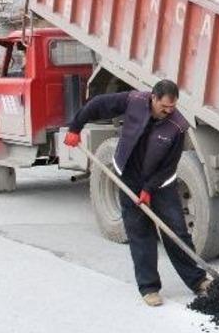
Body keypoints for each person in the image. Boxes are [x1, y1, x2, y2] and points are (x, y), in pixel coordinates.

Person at [63, 80, 210, 306]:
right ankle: (149, 288)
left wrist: (149, 189)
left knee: (176, 232)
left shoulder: (178, 126)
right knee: (140, 233)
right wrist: (75, 127)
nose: (168, 111)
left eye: (172, 107)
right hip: (129, 178)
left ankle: (198, 280)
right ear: (153, 98)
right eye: (164, 107)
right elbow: (98, 104)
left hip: (161, 184)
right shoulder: (134, 101)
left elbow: (169, 166)